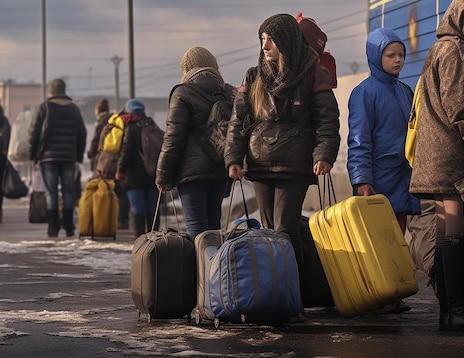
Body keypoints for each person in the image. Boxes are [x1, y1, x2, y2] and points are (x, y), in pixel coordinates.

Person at [225, 14, 340, 282]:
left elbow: (327, 119)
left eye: (272, 39)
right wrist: (233, 157)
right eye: (263, 39)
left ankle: (293, 293)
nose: (265, 46)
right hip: (260, 162)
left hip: (295, 163)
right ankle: (275, 292)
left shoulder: (313, 72)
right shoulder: (254, 76)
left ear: (287, 41)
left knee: (286, 229)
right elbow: (238, 120)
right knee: (267, 230)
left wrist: (324, 154)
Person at [409, 0, 464, 331]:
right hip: (450, 154)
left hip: (436, 154)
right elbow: (460, 105)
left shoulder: (442, 48)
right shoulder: (455, 52)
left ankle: (450, 311)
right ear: (463, 20)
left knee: (447, 230)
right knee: (454, 229)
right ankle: (458, 310)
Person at [347, 28, 422, 314]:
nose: (398, 60)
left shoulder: (404, 90)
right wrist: (362, 180)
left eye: (401, 55)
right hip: (379, 178)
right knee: (376, 240)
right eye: (390, 55)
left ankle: (392, 293)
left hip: (402, 176)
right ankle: (376, 295)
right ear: (375, 56)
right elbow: (358, 139)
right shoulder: (364, 92)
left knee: (397, 241)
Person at [156, 46, 235, 239]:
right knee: (214, 227)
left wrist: (163, 176)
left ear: (187, 69)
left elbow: (173, 138)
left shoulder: (183, 93)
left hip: (192, 174)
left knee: (197, 228)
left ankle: (201, 269)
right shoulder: (228, 93)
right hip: (220, 170)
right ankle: (215, 267)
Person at [29, 78, 87, 237]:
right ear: (64, 90)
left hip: (48, 157)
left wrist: (34, 155)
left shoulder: (44, 107)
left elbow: (34, 132)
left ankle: (53, 227)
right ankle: (69, 226)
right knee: (69, 191)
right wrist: (79, 156)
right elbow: (82, 134)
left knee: (51, 192)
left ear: (51, 91)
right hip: (69, 157)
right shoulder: (74, 109)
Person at [116, 99, 158, 237]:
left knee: (138, 207)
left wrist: (120, 170)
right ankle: (154, 236)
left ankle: (140, 238)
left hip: (134, 175)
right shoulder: (152, 124)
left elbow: (126, 152)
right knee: (153, 207)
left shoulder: (130, 128)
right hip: (152, 172)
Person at [88, 98, 131, 230]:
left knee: (105, 191)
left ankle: (105, 220)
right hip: (118, 160)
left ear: (97, 111)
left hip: (105, 162)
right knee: (121, 192)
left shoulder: (102, 123)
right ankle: (123, 220)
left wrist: (91, 154)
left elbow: (96, 143)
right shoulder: (117, 120)